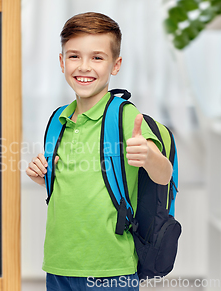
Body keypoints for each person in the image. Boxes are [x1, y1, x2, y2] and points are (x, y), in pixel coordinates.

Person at [25, 12, 173, 291]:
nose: (84, 67)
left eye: (97, 57)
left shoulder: (126, 117)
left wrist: (150, 157)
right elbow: (70, 184)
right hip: (58, 264)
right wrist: (42, 175)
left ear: (115, 65)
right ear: (61, 62)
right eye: (74, 56)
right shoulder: (58, 120)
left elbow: (164, 175)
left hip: (111, 268)